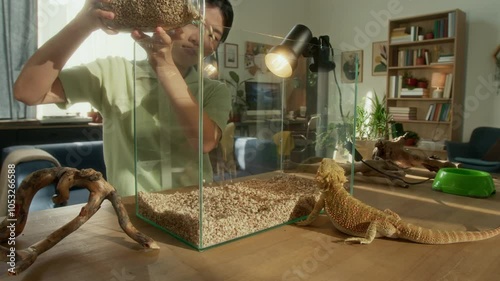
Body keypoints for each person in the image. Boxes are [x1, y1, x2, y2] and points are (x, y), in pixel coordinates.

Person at [14, 0, 234, 196]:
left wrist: (164, 65)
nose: (199, 38)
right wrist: (83, 23)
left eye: (213, 35)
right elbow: (27, 92)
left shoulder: (214, 91)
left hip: (194, 207)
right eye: (195, 23)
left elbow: (204, 141)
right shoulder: (113, 71)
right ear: (174, 15)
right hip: (129, 212)